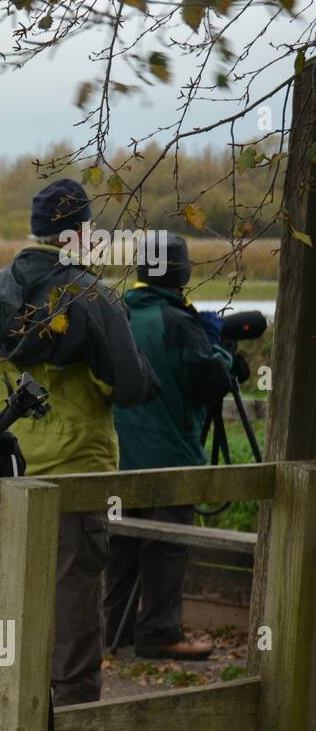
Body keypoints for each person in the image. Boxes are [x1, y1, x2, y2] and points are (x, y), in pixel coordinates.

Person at [0, 178, 159, 705]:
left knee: (11, 583)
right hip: (78, 466)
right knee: (74, 587)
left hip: (13, 466)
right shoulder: (92, 295)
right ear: (78, 233)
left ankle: (8, 696)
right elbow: (129, 383)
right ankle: (73, 702)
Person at [104, 235, 230, 661]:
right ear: (183, 271)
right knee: (167, 545)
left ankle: (110, 633)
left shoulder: (118, 313)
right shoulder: (178, 322)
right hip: (168, 453)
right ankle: (159, 632)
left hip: (119, 456)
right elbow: (208, 381)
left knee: (120, 545)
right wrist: (221, 351)